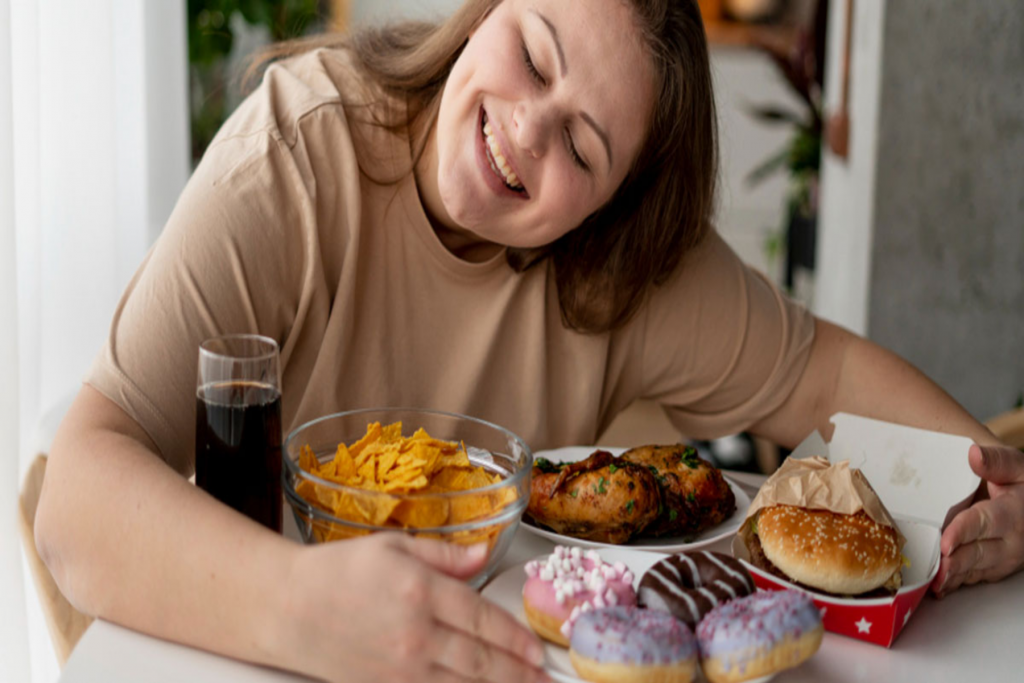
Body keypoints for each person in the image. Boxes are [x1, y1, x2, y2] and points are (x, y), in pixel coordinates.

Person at [34, 0, 1023, 681]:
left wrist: (1005, 485)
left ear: (608, 207)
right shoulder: (293, 158)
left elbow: (827, 372)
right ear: (485, 11)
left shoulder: (626, 265)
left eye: (584, 147)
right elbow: (75, 498)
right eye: (533, 54)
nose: (527, 129)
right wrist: (302, 604)